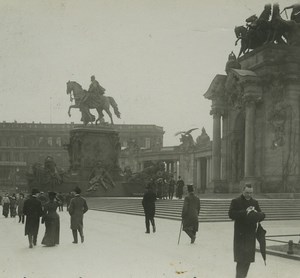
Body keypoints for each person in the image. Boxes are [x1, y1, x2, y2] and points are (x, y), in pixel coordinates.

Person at [228, 184, 265, 278]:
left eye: (251, 193)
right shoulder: (236, 201)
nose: (249, 195)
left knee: (248, 260)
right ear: (242, 191)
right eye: (247, 192)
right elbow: (231, 214)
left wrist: (257, 214)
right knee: (240, 260)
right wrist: (245, 212)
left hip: (250, 236)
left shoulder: (255, 202)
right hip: (240, 235)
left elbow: (261, 215)